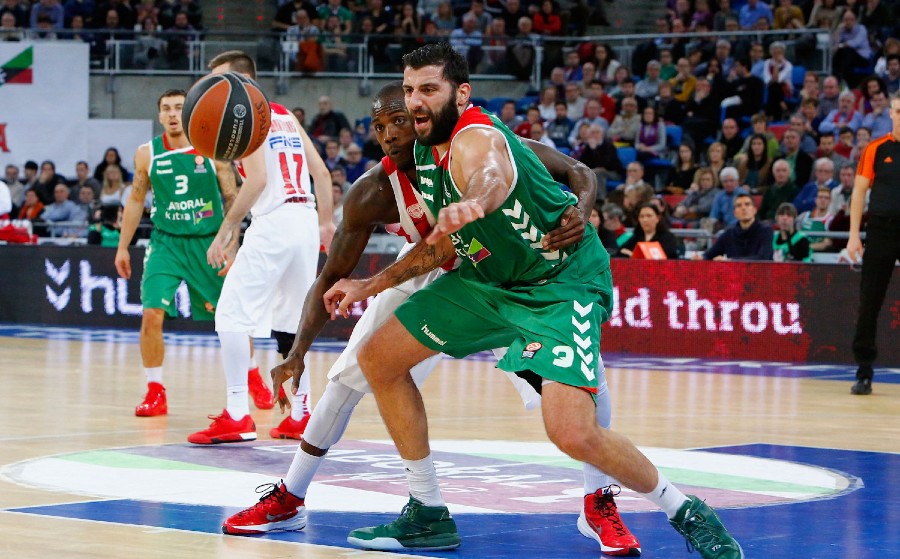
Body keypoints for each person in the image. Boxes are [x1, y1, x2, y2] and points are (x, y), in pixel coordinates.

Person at [318, 43, 743, 558]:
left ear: (461, 92)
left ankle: (684, 509)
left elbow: (492, 177)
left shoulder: (477, 136)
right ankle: (427, 512)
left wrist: (473, 203)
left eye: (429, 89)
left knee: (572, 432)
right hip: (489, 282)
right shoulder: (422, 150)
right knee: (378, 357)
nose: (416, 102)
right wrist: (368, 286)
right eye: (410, 90)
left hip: (559, 284)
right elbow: (446, 247)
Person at [222, 81, 642, 556]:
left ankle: (598, 500)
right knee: (349, 376)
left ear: (426, 115)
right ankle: (291, 497)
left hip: (504, 269)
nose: (389, 135)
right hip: (425, 268)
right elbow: (331, 279)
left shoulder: (477, 141)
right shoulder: (374, 192)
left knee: (582, 379)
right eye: (379, 126)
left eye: (399, 120)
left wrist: (583, 211)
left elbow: (578, 171)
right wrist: (297, 353)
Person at [199, 50, 335, 444]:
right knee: (292, 326)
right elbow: (322, 174)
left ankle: (238, 413)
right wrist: (326, 222)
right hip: (305, 220)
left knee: (229, 316)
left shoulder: (248, 118)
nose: (216, 90)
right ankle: (303, 413)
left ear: (242, 81)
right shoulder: (286, 116)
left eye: (222, 81)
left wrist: (226, 229)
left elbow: (256, 181)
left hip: (274, 220)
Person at [114, 89, 240, 417]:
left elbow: (232, 198)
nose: (172, 114)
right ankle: (155, 390)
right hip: (165, 242)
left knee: (229, 319)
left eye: (179, 108)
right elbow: (136, 199)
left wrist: (232, 242)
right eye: (166, 109)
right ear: (159, 116)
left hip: (208, 242)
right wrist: (123, 247)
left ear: (190, 113)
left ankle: (251, 373)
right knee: (151, 314)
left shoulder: (212, 149)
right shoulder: (147, 154)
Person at [845, 92, 900, 396]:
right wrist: (854, 234)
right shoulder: (875, 149)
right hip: (880, 230)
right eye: (899, 111)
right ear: (891, 113)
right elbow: (859, 193)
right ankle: (864, 372)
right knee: (869, 303)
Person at [697, 193, 774, 260]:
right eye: (739, 205)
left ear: (754, 210)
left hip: (760, 276)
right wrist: (701, 258)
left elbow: (763, 258)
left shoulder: (766, 231)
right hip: (735, 276)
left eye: (747, 204)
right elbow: (709, 255)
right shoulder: (729, 233)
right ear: (734, 213)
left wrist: (730, 261)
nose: (743, 208)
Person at [796, 186, 834, 252]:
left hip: (819, 255)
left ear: (830, 201)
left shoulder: (831, 220)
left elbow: (827, 243)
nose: (823, 200)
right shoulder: (804, 216)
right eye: (820, 197)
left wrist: (806, 247)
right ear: (816, 199)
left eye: (826, 198)